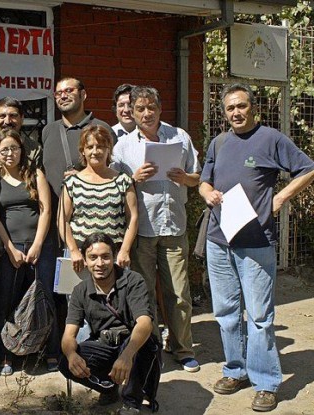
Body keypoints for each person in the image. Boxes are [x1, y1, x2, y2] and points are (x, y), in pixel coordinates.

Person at [199, 83, 314, 412]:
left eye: (241, 106)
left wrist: (281, 197)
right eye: (230, 108)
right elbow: (204, 179)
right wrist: (206, 192)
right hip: (219, 240)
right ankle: (236, 370)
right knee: (225, 313)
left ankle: (266, 382)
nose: (236, 113)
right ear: (224, 113)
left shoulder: (271, 139)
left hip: (256, 241)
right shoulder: (219, 142)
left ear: (254, 109)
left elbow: (309, 168)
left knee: (260, 317)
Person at [111, 86, 201, 373]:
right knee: (144, 293)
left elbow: (198, 177)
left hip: (173, 225)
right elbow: (113, 188)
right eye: (140, 109)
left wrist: (185, 178)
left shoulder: (180, 137)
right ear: (133, 113)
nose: (146, 113)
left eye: (151, 107)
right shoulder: (123, 146)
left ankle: (183, 349)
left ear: (160, 109)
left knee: (178, 292)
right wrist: (133, 179)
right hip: (141, 231)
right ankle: (149, 349)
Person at [58, 233, 160, 414]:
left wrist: (127, 355)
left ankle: (132, 403)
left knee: (142, 343)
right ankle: (108, 388)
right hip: (105, 345)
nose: (99, 264)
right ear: (85, 260)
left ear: (114, 257)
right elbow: (68, 336)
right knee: (66, 361)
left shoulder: (133, 281)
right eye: (93, 258)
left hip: (134, 347)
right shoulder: (80, 291)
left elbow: (145, 323)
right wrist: (72, 355)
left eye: (106, 257)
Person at [0, 129, 56, 376]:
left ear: (21, 151)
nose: (9, 154)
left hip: (40, 247)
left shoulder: (35, 175)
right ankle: (7, 355)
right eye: (4, 149)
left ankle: (46, 351)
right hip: (10, 250)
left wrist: (37, 245)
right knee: (7, 301)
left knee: (43, 299)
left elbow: (46, 211)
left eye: (14, 148)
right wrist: (9, 247)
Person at [58, 125, 138, 272]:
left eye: (100, 146)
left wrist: (125, 250)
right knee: (80, 295)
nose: (95, 152)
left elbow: (132, 218)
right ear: (83, 150)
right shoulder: (72, 183)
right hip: (80, 259)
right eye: (90, 147)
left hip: (114, 257)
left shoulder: (123, 181)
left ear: (109, 149)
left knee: (117, 295)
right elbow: (63, 221)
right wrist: (74, 251)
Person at [42, 77, 116, 203]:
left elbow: (115, 173)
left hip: (90, 211)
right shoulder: (48, 130)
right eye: (58, 93)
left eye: (69, 91)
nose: (63, 96)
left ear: (83, 95)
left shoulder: (101, 129)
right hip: (55, 214)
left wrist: (84, 178)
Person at [0, 96, 43, 169]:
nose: (7, 121)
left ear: (22, 118)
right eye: (2, 116)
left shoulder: (34, 148)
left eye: (13, 116)